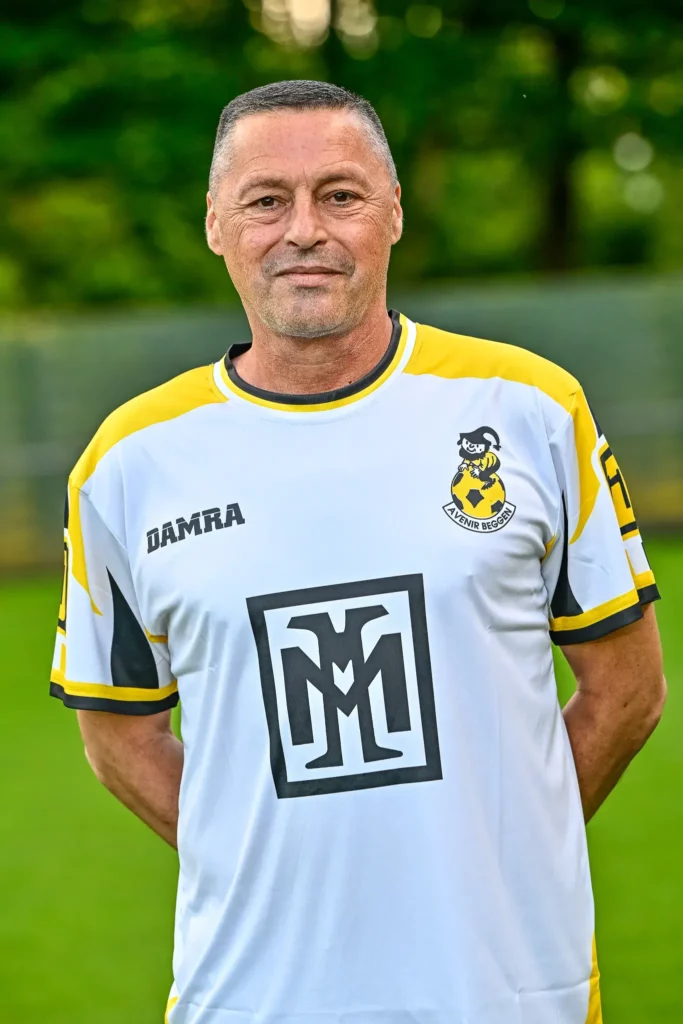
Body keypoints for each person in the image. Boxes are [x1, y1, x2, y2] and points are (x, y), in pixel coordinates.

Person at [51, 80, 665, 1024]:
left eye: (339, 194)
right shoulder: (127, 463)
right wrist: (260, 858)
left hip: (506, 994)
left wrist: (506, 851)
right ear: (216, 225)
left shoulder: (530, 410)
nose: (303, 229)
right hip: (250, 998)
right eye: (265, 200)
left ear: (393, 214)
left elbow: (628, 687)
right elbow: (118, 731)